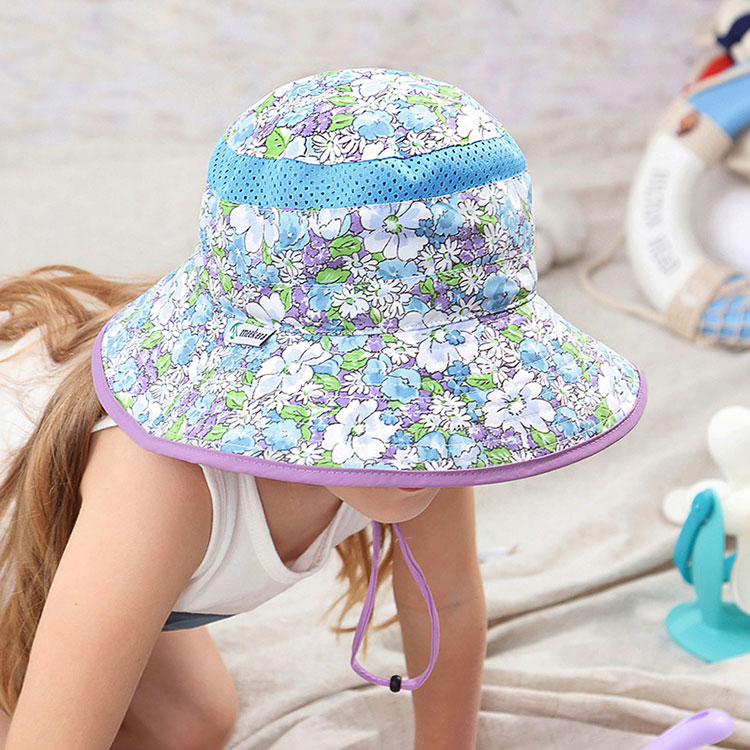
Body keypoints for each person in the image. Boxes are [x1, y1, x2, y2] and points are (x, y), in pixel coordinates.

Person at [0, 67, 646, 749]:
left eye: (442, 385)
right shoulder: (163, 486)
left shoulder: (431, 435)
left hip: (72, 543)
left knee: (196, 723)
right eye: (386, 392)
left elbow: (449, 604)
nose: (418, 427)